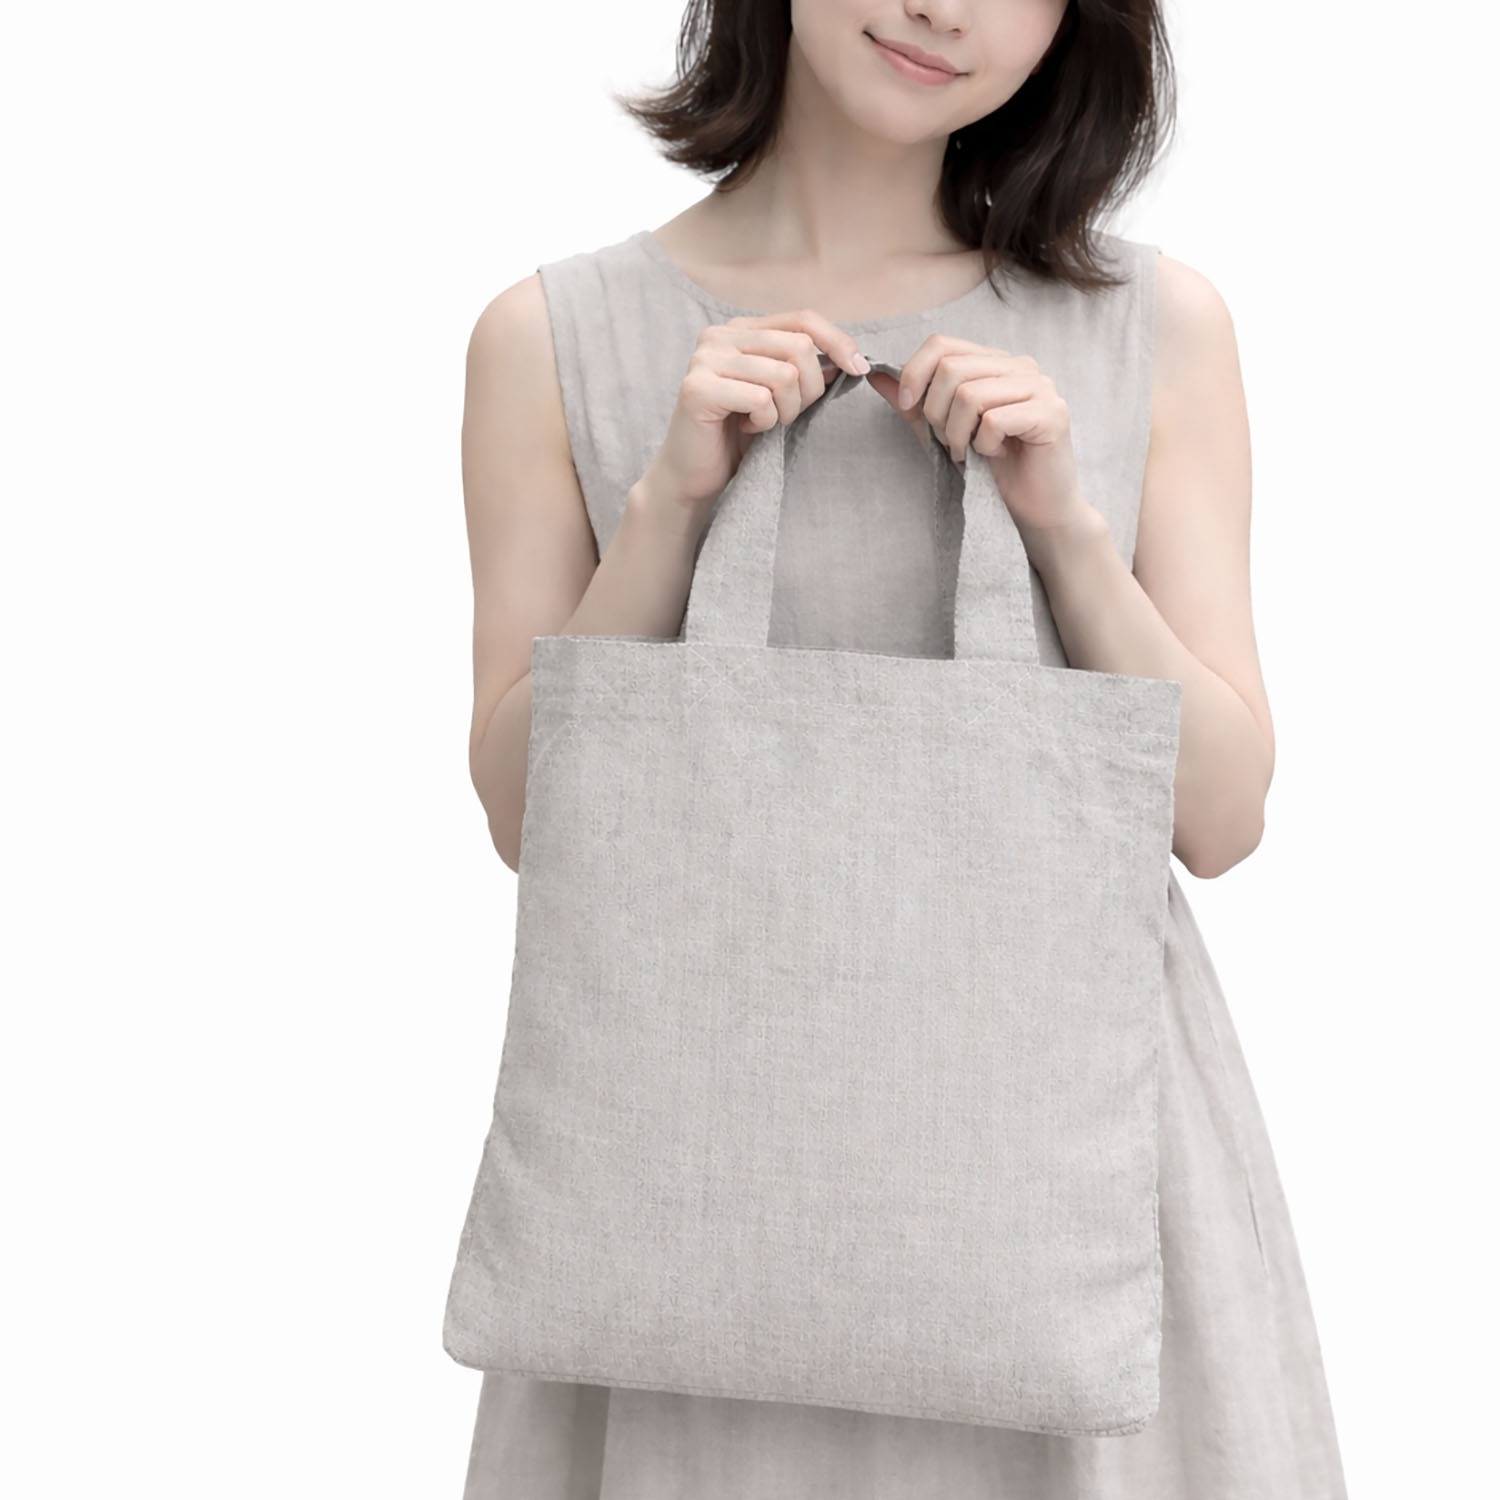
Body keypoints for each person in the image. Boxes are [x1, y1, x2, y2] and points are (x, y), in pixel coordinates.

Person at [453, 1, 1349, 1495]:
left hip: (1071, 1174)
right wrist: (673, 502)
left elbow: (1222, 816)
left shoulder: (1153, 324)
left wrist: (1063, 525)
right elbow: (524, 817)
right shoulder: (553, 335)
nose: (948, 9)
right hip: (692, 1184)